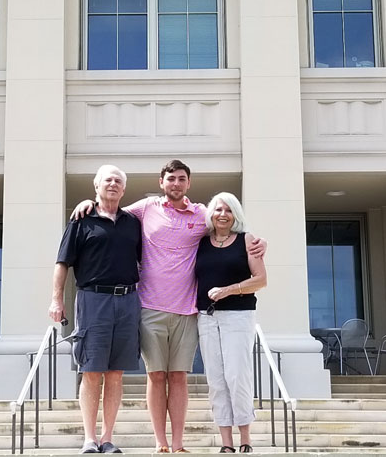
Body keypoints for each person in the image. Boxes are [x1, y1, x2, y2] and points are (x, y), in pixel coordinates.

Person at [73, 159, 266, 453]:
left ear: (188, 183)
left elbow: (226, 229)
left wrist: (257, 242)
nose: (175, 184)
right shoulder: (146, 208)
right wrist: (89, 201)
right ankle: (160, 442)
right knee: (155, 376)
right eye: (170, 179)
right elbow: (111, 211)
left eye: (181, 179)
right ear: (161, 182)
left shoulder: (202, 214)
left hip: (188, 311)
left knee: (178, 378)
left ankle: (178, 444)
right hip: (149, 308)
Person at [50, 165, 142, 454]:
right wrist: (56, 299)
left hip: (128, 301)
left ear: (124, 189)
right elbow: (62, 263)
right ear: (97, 187)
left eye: (118, 181)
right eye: (107, 180)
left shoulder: (132, 222)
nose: (113, 184)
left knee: (115, 373)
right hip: (93, 300)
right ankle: (89, 438)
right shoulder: (81, 220)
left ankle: (108, 438)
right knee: (92, 371)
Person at [195, 192, 267, 453]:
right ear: (211, 214)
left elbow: (260, 279)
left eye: (228, 210)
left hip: (238, 316)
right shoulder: (201, 243)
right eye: (218, 209)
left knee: (238, 376)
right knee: (216, 379)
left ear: (235, 214)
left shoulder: (247, 240)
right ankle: (226, 443)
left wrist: (228, 290)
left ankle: (245, 438)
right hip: (206, 317)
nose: (222, 214)